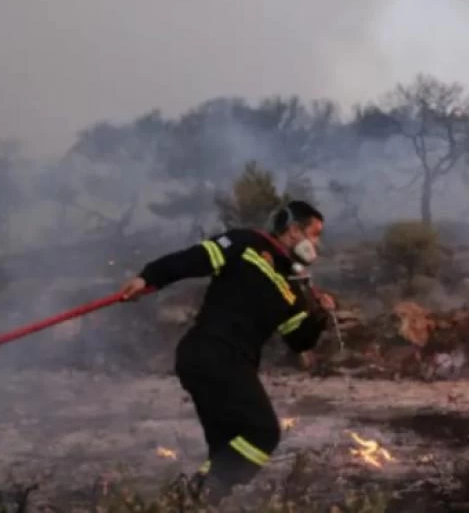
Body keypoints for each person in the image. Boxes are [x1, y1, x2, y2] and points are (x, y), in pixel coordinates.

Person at [119, 200, 335, 504]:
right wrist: (148, 277)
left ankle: (192, 502)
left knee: (227, 449)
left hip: (232, 363)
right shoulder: (247, 243)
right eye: (313, 234)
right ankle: (195, 497)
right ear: (293, 229)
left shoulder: (292, 287)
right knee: (263, 433)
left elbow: (300, 341)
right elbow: (194, 259)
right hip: (211, 351)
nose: (316, 243)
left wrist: (320, 316)